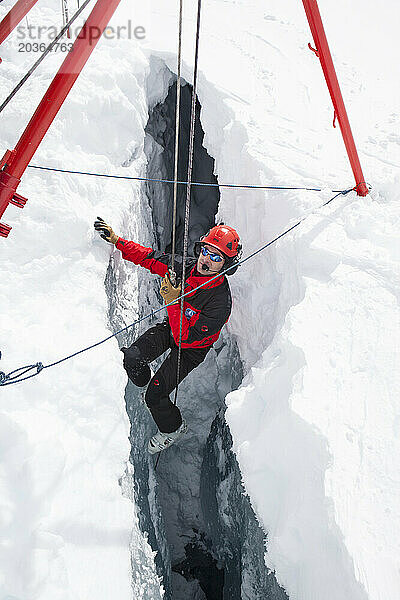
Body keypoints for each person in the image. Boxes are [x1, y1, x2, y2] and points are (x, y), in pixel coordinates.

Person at [94, 217, 242, 454]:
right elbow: (150, 258)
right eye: (206, 251)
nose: (206, 259)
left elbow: (186, 339)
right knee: (132, 358)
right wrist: (117, 241)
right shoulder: (186, 268)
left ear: (226, 265)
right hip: (172, 327)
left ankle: (173, 427)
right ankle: (146, 386)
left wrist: (173, 301)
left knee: (156, 396)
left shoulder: (220, 304)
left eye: (216, 257)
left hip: (192, 349)